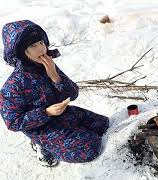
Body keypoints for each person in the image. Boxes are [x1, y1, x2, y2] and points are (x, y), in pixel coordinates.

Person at [0, 20, 109, 167]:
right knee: (91, 148)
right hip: (41, 128)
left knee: (104, 125)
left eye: (41, 42)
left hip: (63, 114)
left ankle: (67, 136)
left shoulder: (48, 66)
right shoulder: (13, 86)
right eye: (33, 46)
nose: (41, 49)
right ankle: (42, 147)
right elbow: (13, 122)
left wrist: (55, 76)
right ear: (21, 53)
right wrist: (46, 113)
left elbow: (73, 94)